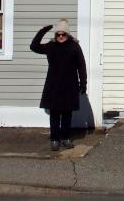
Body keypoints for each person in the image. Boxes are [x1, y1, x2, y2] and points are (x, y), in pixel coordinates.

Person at [30, 19, 87, 151]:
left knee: (67, 114)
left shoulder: (74, 47)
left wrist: (83, 83)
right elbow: (33, 47)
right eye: (58, 34)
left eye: (63, 34)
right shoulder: (51, 46)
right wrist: (42, 31)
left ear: (67, 34)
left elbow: (81, 66)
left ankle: (65, 138)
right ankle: (55, 139)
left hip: (70, 85)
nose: (60, 36)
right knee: (55, 114)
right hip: (53, 85)